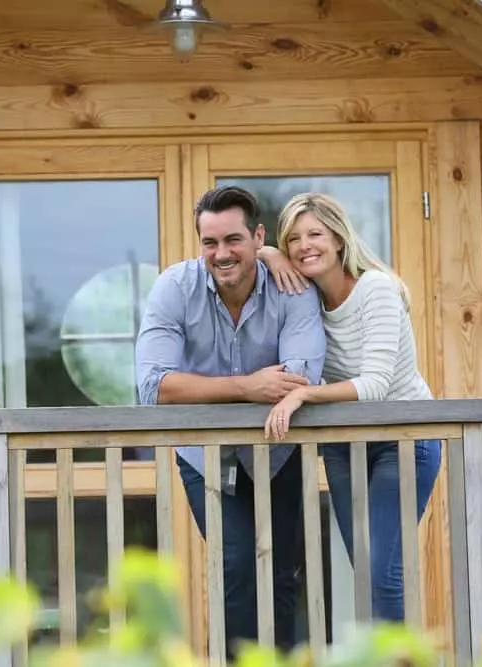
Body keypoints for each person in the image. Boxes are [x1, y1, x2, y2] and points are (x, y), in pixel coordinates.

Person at [134, 185, 326, 656]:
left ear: (257, 237)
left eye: (234, 240)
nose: (221, 254)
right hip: (207, 455)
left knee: (282, 571)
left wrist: (205, 387)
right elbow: (153, 387)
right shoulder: (174, 288)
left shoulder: (292, 288)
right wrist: (246, 387)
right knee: (237, 564)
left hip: (280, 450)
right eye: (209, 243)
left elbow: (299, 377)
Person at [258, 192, 442, 622]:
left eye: (316, 234)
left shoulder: (376, 289)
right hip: (345, 444)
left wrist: (302, 393)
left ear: (339, 239)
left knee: (382, 575)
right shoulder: (305, 304)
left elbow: (376, 384)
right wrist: (267, 253)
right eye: (294, 239)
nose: (306, 246)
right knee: (366, 573)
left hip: (404, 439)